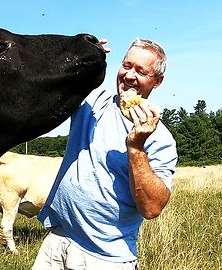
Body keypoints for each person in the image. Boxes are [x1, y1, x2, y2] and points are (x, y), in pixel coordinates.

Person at [32, 38, 178, 270]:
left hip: (105, 257)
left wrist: (136, 146)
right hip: (58, 239)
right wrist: (79, 52)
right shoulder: (94, 102)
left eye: (141, 71)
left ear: (157, 82)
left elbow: (152, 208)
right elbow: (53, 80)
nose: (129, 76)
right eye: (127, 65)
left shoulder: (160, 139)